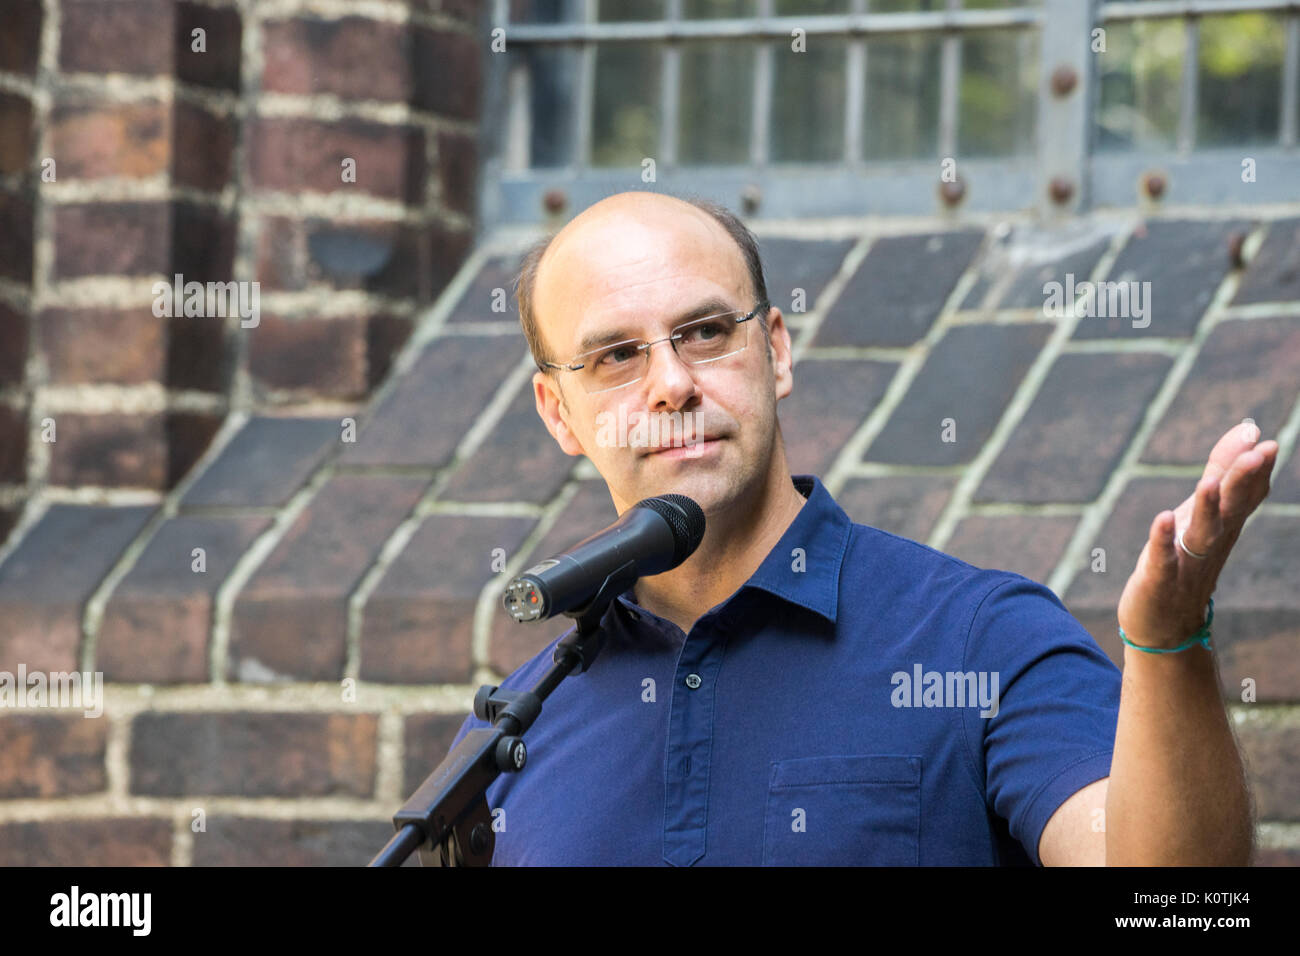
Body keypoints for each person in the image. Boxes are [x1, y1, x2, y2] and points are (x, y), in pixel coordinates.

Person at [446, 191, 1278, 865]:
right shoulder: (517, 726)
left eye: (705, 333)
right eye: (616, 357)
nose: (671, 384)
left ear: (775, 351)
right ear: (559, 410)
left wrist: (1169, 645)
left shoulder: (980, 640)